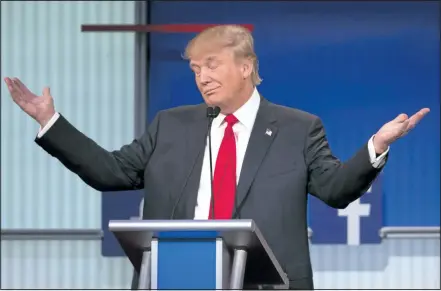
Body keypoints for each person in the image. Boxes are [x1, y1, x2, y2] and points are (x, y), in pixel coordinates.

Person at [5, 25, 429, 290]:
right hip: (174, 280)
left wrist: (376, 144)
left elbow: (336, 190)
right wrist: (51, 122)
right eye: (194, 69)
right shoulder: (171, 125)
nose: (202, 77)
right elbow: (110, 171)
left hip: (267, 285)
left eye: (211, 65)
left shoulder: (298, 128)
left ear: (246, 67)